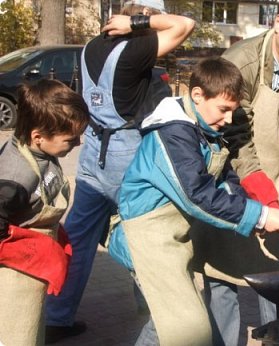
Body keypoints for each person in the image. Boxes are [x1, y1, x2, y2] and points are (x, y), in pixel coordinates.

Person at [44, 0, 195, 342]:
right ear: (141, 16)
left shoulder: (92, 45)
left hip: (93, 154)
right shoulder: (136, 46)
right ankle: (156, 315)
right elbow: (185, 25)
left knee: (78, 239)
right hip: (126, 158)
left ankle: (57, 316)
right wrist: (141, 24)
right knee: (144, 237)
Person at [111, 56, 279, 345]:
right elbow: (197, 195)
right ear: (197, 95)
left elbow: (225, 180)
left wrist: (256, 212)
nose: (229, 119)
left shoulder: (207, 130)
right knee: (181, 326)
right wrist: (260, 216)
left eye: (233, 111)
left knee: (172, 323)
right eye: (223, 109)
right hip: (144, 239)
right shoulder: (173, 133)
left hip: (171, 239)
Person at [189, 0, 279, 344]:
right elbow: (233, 134)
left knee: (277, 282)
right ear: (278, 22)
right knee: (222, 280)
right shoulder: (241, 62)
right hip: (229, 182)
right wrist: (256, 186)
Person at [0, 79, 89, 346]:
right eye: (70, 139)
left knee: (31, 328)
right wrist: (30, 249)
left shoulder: (41, 150)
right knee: (16, 333)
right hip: (16, 270)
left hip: (34, 266)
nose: (77, 143)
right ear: (38, 136)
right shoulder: (15, 176)